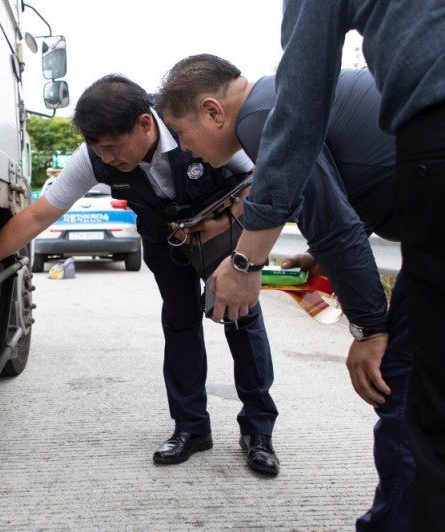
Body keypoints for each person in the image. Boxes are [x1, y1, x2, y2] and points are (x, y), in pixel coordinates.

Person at [167, 3, 445, 527]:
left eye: (182, 137)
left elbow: (334, 222)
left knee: (404, 392)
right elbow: (349, 197)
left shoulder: (259, 115)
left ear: (211, 111)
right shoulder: (268, 101)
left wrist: (368, 328)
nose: (189, 153)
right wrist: (316, 257)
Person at [0, 74, 281, 475]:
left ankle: (258, 432)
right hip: (164, 240)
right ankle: (191, 428)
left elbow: (264, 179)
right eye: (99, 150)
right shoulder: (94, 156)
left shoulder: (190, 123)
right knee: (179, 321)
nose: (107, 159)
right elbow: (37, 215)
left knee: (239, 316)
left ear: (144, 123)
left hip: (222, 231)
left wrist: (223, 223)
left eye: (114, 149)